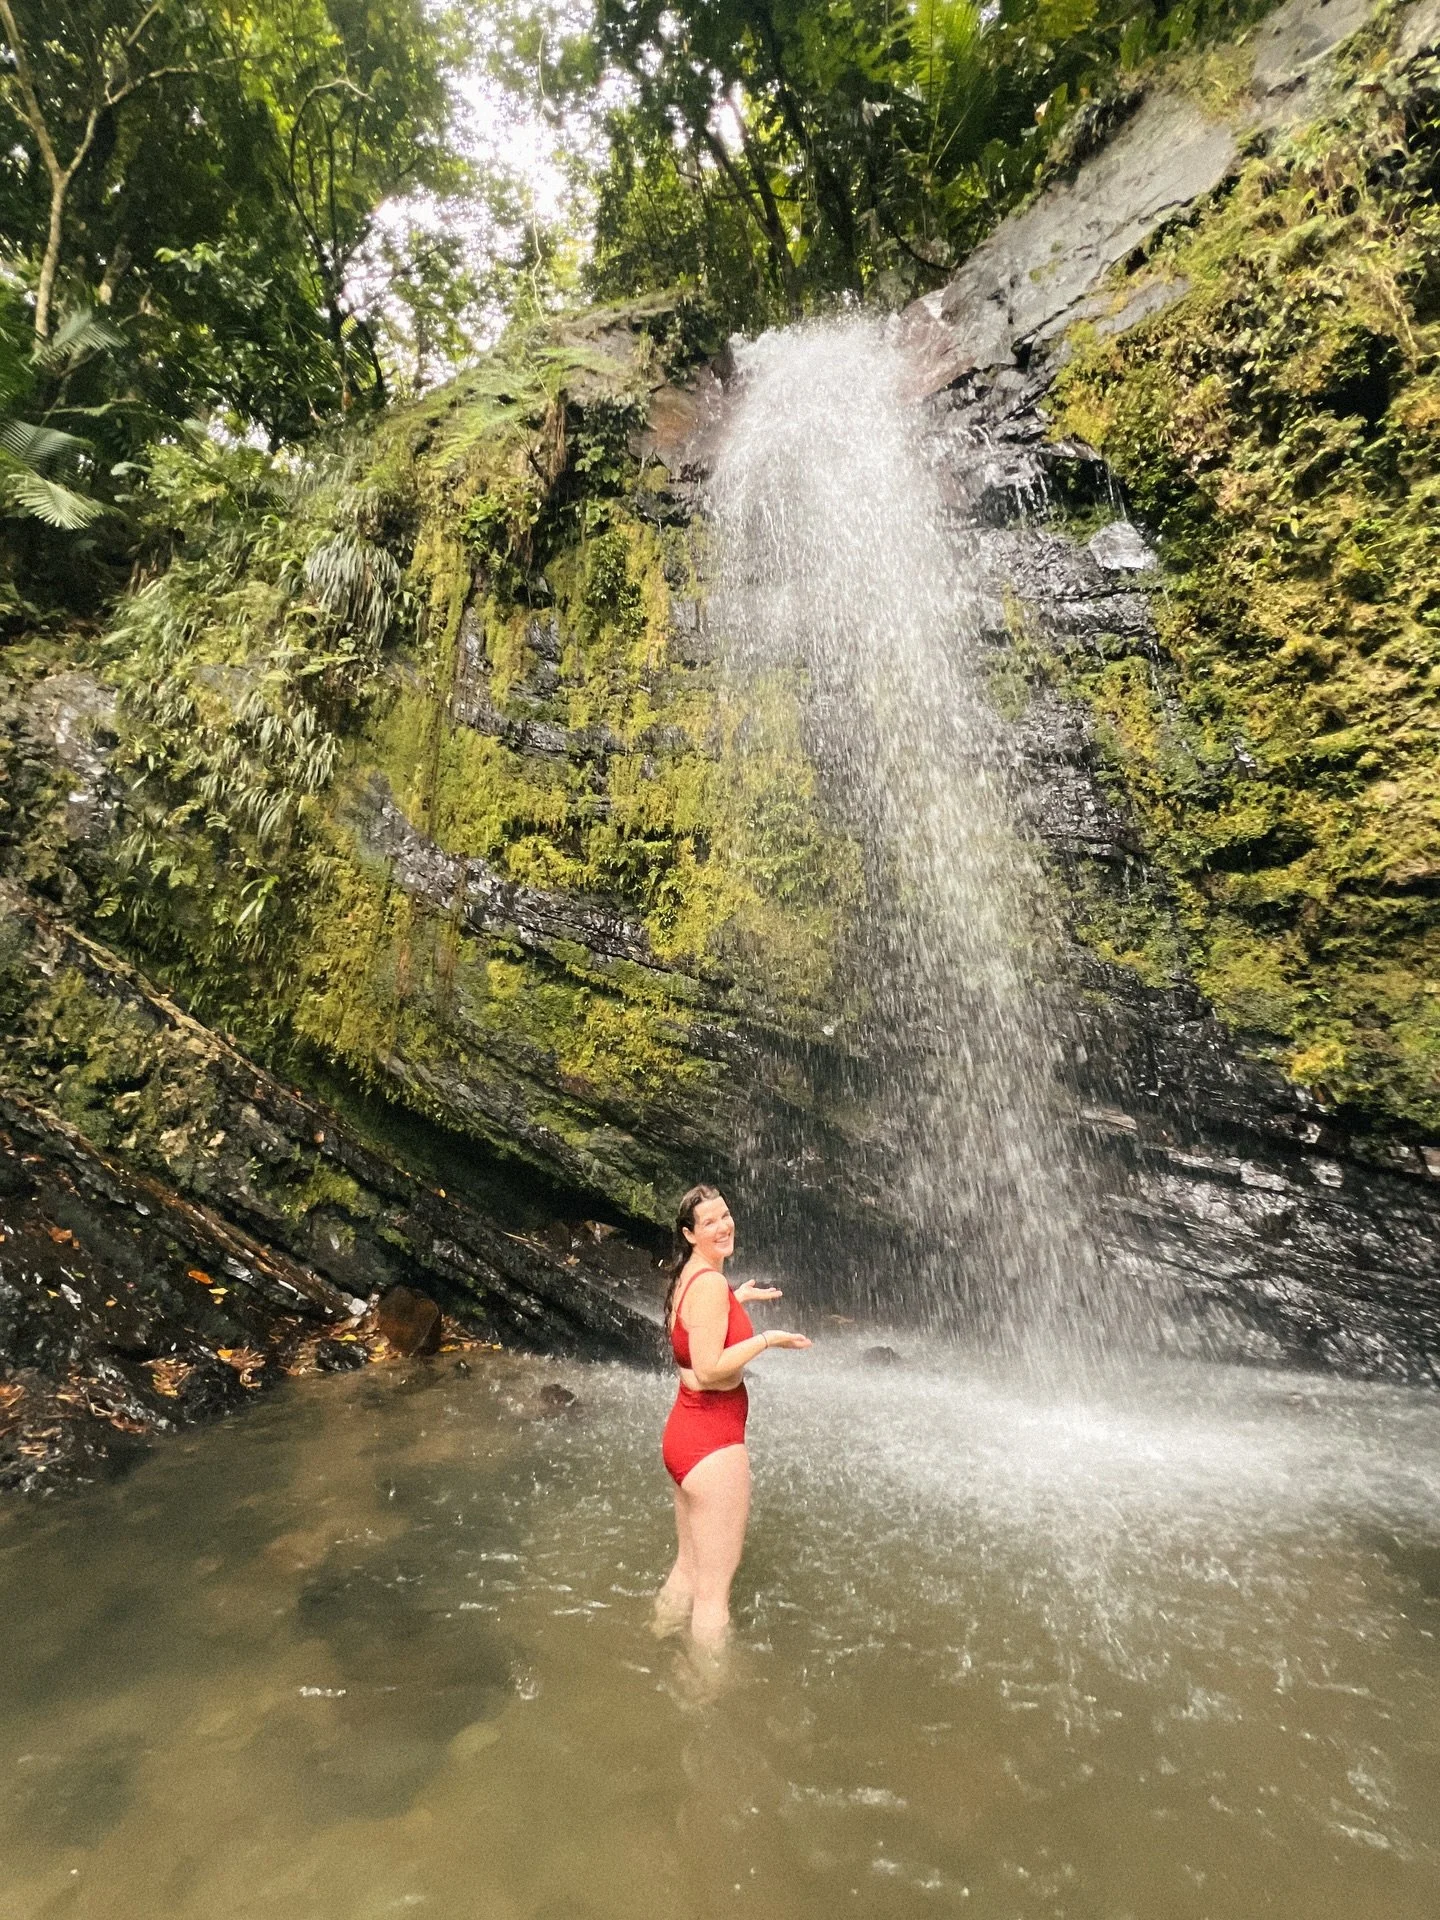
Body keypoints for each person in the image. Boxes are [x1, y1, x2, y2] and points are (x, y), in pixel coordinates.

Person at [655, 1184, 811, 1647]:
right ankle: (704, 1698)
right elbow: (707, 1368)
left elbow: (695, 1329)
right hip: (713, 1444)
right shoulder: (707, 1288)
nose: (723, 1226)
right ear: (690, 1233)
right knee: (713, 1595)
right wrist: (768, 1339)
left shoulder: (694, 1278)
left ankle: (655, 1640)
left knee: (688, 1566)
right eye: (709, 1222)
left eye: (725, 1215)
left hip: (685, 1434)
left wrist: (735, 1299)